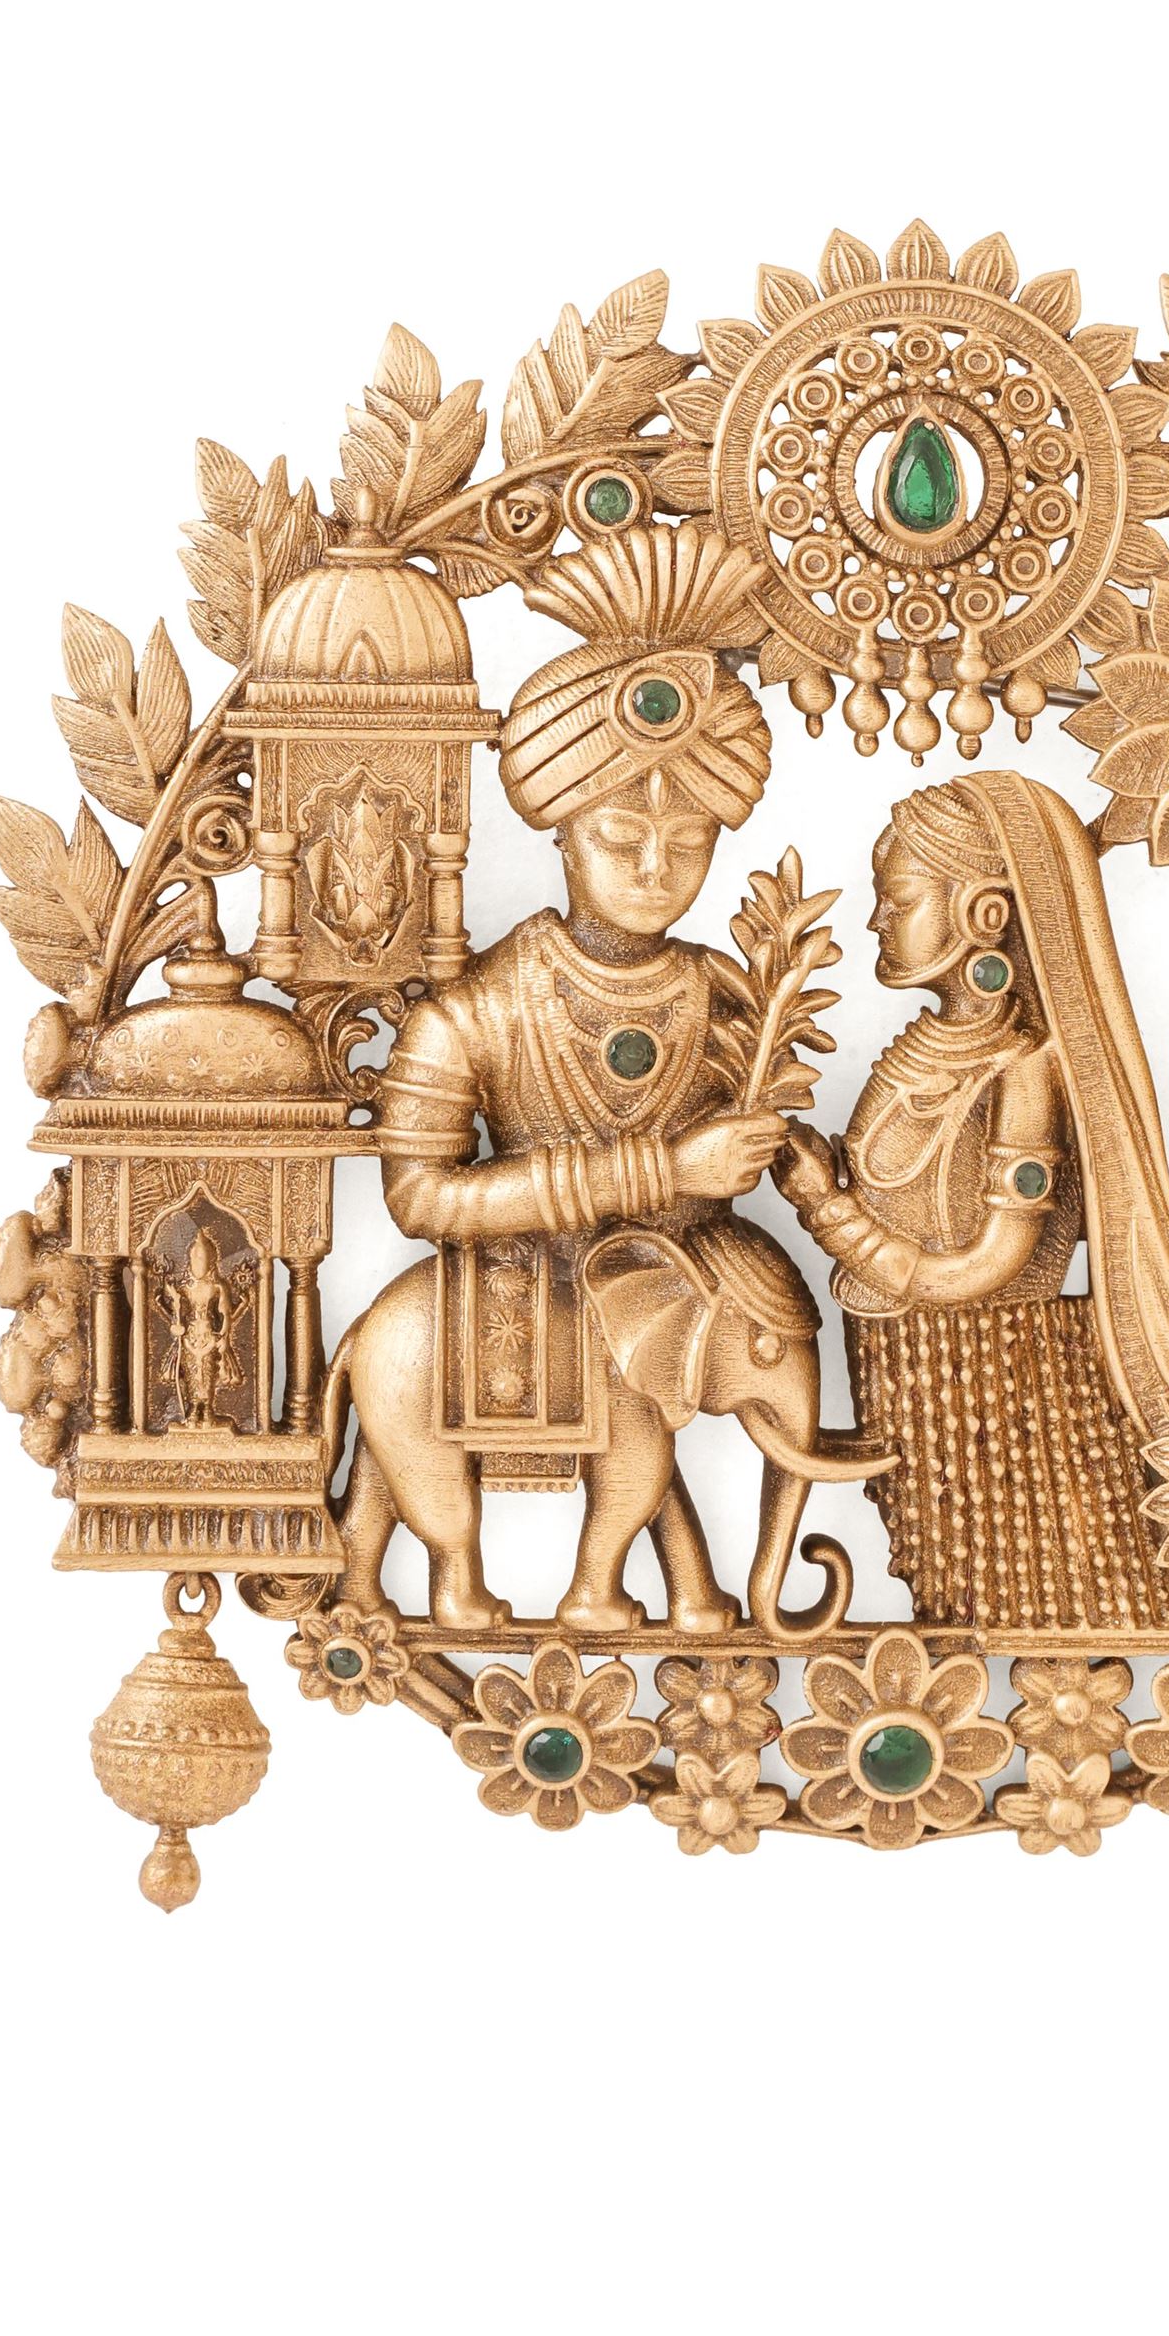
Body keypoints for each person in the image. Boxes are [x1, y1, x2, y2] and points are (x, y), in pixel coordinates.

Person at [334, 525, 875, 1635]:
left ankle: (670, 1585)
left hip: (668, 1291)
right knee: (620, 1416)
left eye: (691, 843)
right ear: (563, 834)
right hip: (524, 1294)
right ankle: (473, 1575)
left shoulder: (728, 998)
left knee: (646, 1415)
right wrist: (658, 1171)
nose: (654, 868)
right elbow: (420, 1198)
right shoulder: (474, 1013)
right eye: (621, 834)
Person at [775, 768, 1169, 1630]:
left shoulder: (1023, 1070)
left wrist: (826, 1210)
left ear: (983, 914)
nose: (875, 920)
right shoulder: (928, 1047)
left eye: (898, 900)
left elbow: (985, 1266)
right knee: (941, 1570)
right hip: (904, 1361)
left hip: (981, 1372)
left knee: (996, 1580)